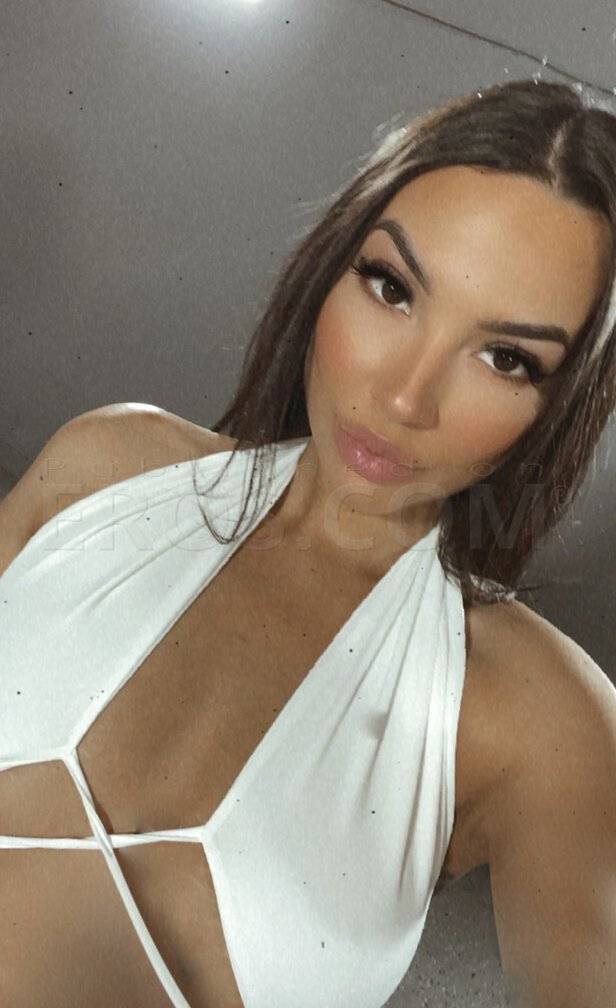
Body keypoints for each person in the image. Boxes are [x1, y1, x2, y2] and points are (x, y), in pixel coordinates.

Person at [0, 78, 615, 1008]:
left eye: (506, 358)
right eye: (392, 288)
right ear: (332, 264)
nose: (404, 396)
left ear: (561, 408)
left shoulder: (540, 719)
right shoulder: (103, 469)